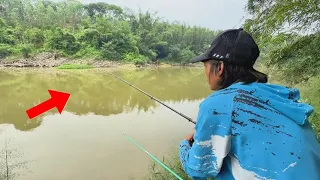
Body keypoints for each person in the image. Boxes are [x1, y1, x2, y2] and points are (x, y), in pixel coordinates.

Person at [179, 28, 320, 180]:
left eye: (205, 66)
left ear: (220, 68)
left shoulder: (217, 104)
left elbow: (197, 170)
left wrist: (185, 145)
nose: (205, 72)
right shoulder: (278, 95)